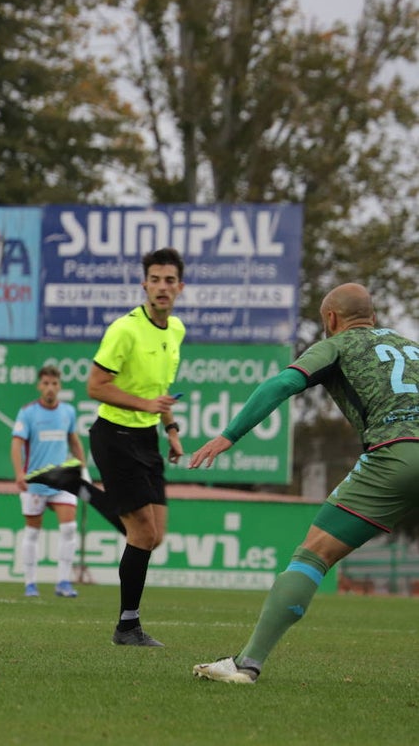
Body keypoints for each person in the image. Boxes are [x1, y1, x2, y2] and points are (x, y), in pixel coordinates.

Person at [190, 282, 419, 684]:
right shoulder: (410, 346)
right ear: (375, 317)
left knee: (313, 555)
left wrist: (229, 435)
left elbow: (281, 384)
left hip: (396, 453)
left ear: (331, 319)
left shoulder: (340, 344)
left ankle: (247, 664)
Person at [85, 247, 186, 647]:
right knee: (143, 533)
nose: (162, 287)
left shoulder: (175, 330)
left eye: (170, 280)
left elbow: (160, 391)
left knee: (152, 535)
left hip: (147, 439)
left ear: (180, 286)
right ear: (144, 284)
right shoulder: (124, 329)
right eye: (155, 280)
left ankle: (82, 491)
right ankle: (127, 626)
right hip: (114, 436)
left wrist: (172, 430)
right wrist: (147, 405)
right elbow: (95, 386)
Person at [11, 364, 85, 598]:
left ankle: (63, 582)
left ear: (59, 386)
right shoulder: (28, 412)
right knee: (32, 533)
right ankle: (30, 583)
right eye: (46, 383)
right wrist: (19, 474)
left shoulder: (68, 412)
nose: (50, 388)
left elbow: (73, 440)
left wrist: (82, 468)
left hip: (63, 481)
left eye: (54, 383)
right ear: (39, 386)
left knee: (69, 527)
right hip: (35, 482)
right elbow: (16, 444)